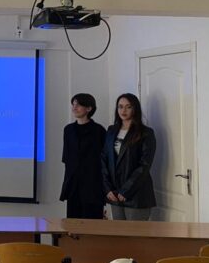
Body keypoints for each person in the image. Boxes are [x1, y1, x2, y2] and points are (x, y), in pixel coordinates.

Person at [102, 93, 157, 221]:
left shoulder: (146, 132)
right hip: (114, 193)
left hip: (136, 194)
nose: (123, 110)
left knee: (136, 233)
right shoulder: (111, 130)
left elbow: (144, 165)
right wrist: (107, 188)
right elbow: (104, 159)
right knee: (118, 232)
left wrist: (126, 190)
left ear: (135, 109)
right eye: (120, 107)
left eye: (128, 107)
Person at [60, 93, 107, 219]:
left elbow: (104, 160)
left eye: (78, 105)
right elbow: (67, 158)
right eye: (73, 104)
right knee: (72, 224)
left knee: (92, 224)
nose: (74, 108)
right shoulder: (68, 130)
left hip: (93, 185)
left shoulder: (99, 130)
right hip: (73, 185)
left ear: (89, 108)